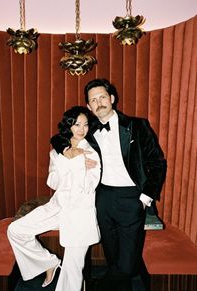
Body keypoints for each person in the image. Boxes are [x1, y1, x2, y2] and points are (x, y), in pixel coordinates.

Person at [82, 78, 167, 291]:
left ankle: (99, 286)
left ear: (112, 98)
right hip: (103, 197)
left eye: (102, 97)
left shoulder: (137, 126)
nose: (99, 102)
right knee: (112, 254)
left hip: (132, 198)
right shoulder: (87, 130)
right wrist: (68, 150)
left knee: (128, 263)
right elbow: (60, 137)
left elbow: (157, 162)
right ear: (88, 106)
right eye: (93, 100)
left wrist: (145, 197)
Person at [7, 106, 101, 291]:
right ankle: (48, 263)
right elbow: (53, 182)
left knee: (72, 269)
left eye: (85, 125)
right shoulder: (57, 152)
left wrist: (80, 165)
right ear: (69, 126)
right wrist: (67, 161)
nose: (81, 129)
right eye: (77, 124)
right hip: (57, 208)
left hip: (80, 213)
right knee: (15, 230)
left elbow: (89, 187)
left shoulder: (92, 153)